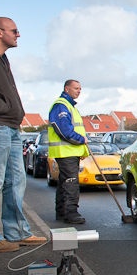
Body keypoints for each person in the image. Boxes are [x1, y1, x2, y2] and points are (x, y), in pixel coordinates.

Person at [0, 17, 46, 252]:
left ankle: (16, 232)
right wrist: (3, 107)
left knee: (15, 180)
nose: (18, 34)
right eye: (14, 30)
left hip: (11, 127)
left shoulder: (2, 59)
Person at [48, 79, 89, 224]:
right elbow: (63, 130)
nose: (79, 91)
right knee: (71, 183)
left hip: (69, 151)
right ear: (67, 89)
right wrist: (80, 139)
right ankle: (71, 213)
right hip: (66, 151)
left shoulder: (69, 105)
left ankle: (61, 212)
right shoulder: (61, 105)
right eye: (76, 88)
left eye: (80, 89)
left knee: (64, 182)